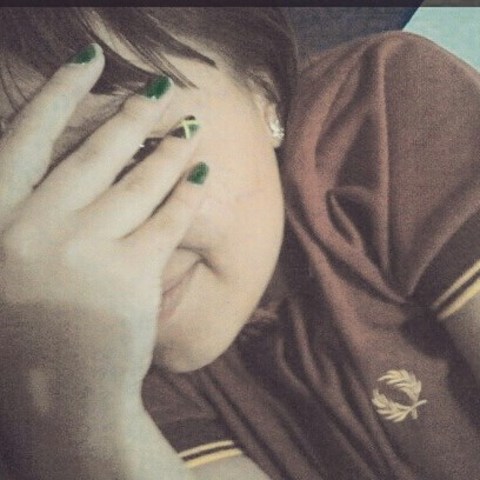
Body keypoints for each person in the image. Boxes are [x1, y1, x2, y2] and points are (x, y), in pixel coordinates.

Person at [0, 7, 479, 480]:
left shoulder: (375, 117)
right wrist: (83, 413)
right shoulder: (63, 329)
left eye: (143, 148)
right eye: (28, 198)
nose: (85, 251)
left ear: (263, 90)